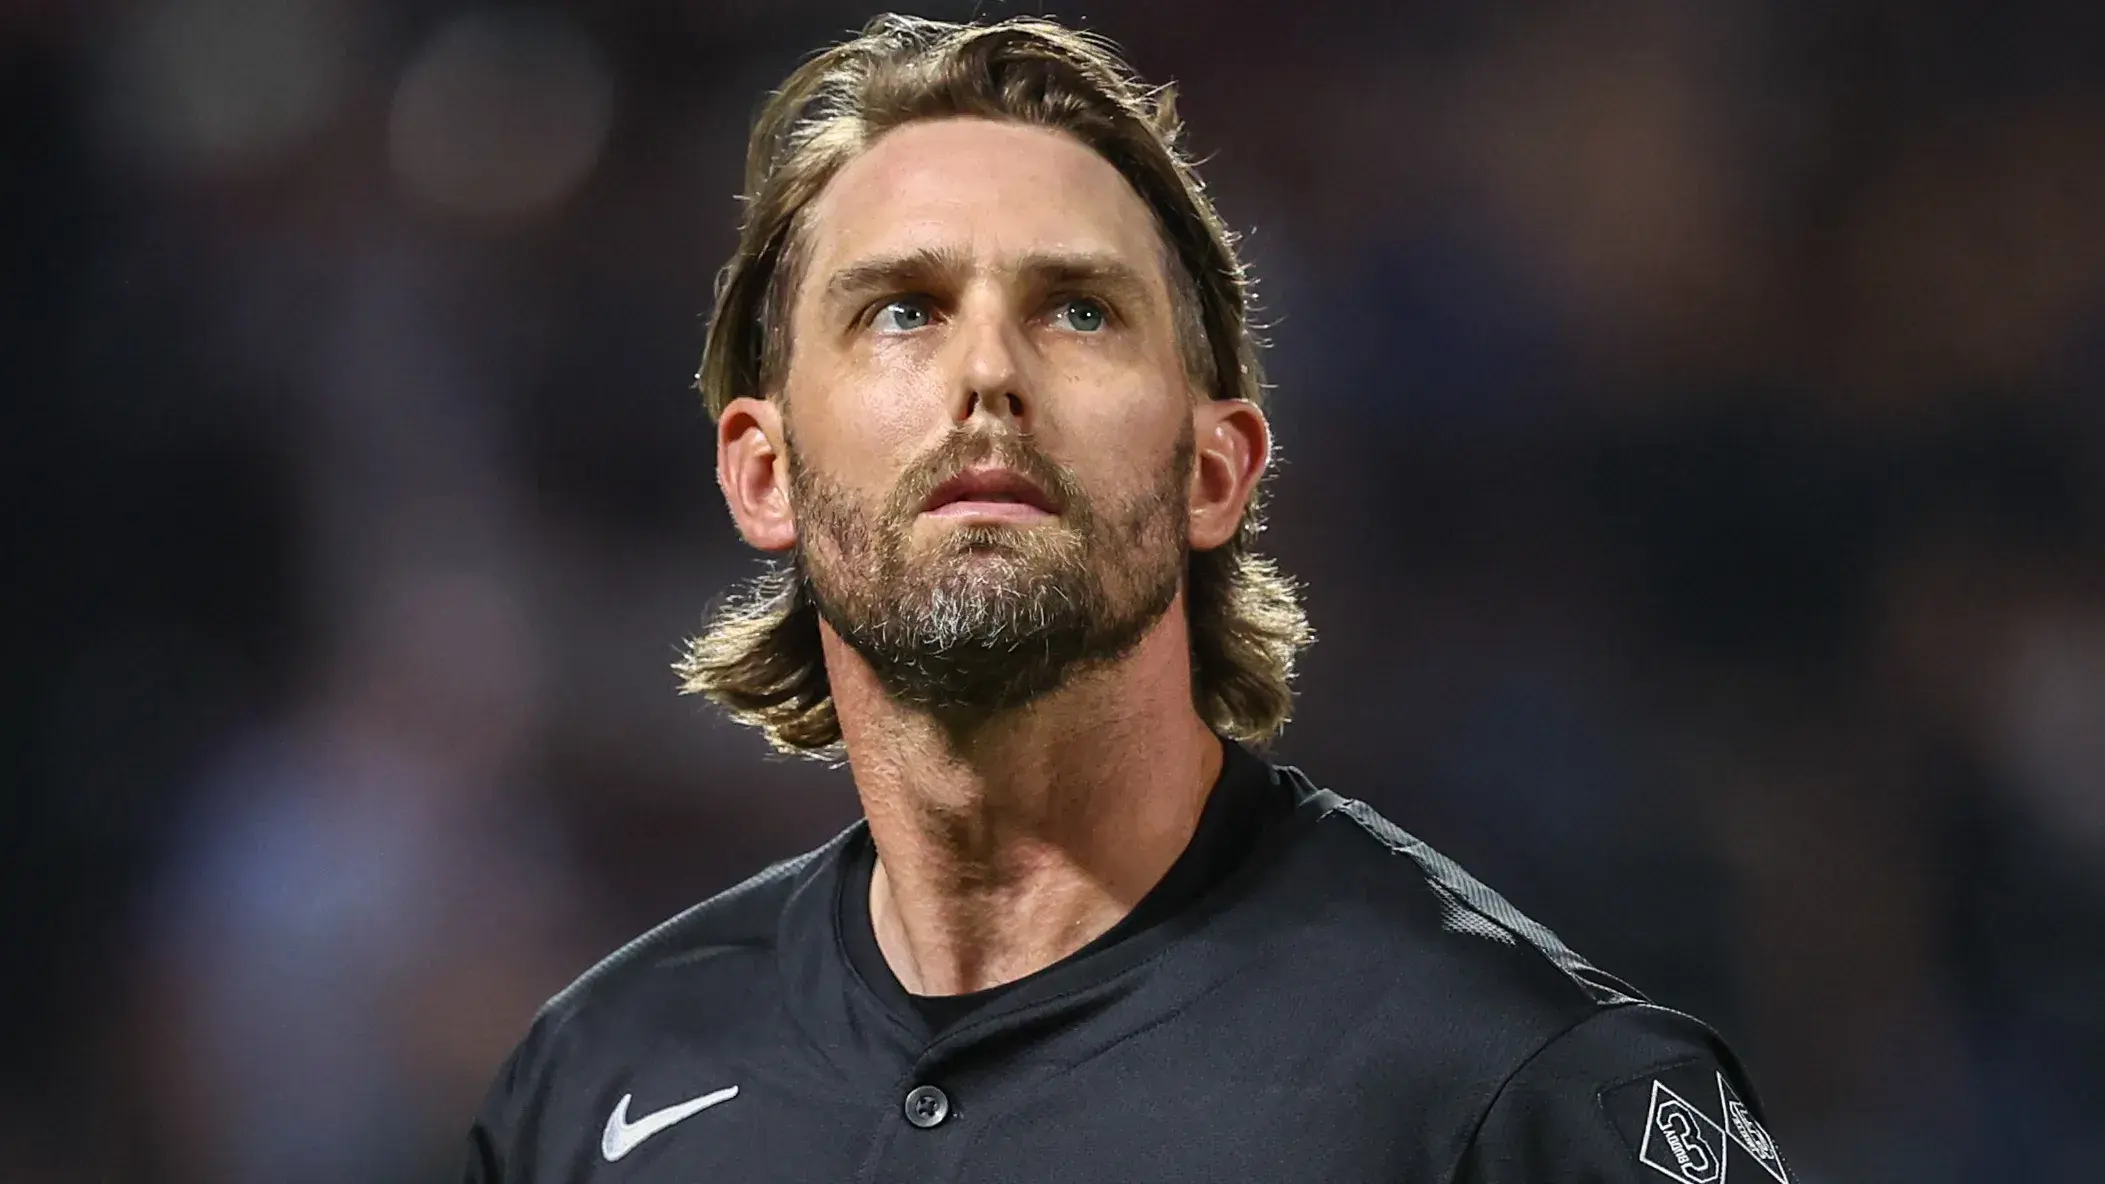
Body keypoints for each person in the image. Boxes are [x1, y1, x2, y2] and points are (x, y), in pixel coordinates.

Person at [463, 15, 1795, 1183]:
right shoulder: (591, 1088)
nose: (989, 369)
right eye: (902, 310)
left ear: (1217, 470)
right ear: (765, 473)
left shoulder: (1523, 1093)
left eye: (1080, 311)